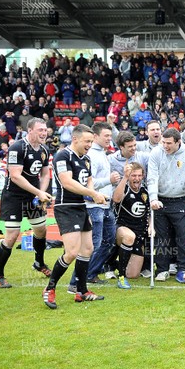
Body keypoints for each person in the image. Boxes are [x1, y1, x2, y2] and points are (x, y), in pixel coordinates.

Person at [43, 125, 107, 309]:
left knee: (87, 249)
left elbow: (89, 180)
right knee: (71, 252)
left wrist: (94, 193)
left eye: (91, 141)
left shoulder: (86, 159)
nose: (89, 145)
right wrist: (93, 194)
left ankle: (81, 290)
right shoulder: (63, 155)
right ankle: (50, 288)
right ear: (75, 139)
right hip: (66, 207)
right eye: (87, 141)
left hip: (81, 207)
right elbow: (66, 181)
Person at [0, 118, 52, 288]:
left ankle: (39, 263)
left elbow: (45, 174)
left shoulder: (44, 149)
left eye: (45, 130)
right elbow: (15, 176)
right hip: (14, 196)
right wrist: (39, 192)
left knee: (41, 229)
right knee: (12, 235)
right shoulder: (17, 147)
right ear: (30, 131)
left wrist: (41, 194)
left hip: (33, 196)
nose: (44, 133)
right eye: (40, 130)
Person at [67, 122, 120, 293]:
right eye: (106, 136)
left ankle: (91, 273)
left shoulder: (101, 154)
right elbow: (90, 182)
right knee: (92, 245)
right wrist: (109, 181)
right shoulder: (91, 156)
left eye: (110, 136)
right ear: (95, 137)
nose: (109, 139)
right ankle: (75, 280)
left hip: (105, 205)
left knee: (109, 242)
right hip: (93, 205)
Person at [147, 128, 185, 283]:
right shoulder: (156, 153)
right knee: (162, 237)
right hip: (160, 199)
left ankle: (183, 268)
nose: (165, 146)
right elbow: (152, 178)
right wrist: (153, 198)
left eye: (169, 143)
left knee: (182, 235)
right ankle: (162, 269)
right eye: (163, 142)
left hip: (181, 199)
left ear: (178, 142)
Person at [113, 162, 150, 288]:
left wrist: (151, 226)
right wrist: (124, 177)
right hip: (122, 229)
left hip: (139, 233)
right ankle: (121, 277)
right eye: (134, 175)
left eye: (139, 175)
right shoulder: (125, 187)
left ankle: (112, 263)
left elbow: (149, 213)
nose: (137, 178)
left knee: (133, 274)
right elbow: (116, 199)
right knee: (129, 237)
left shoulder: (145, 191)